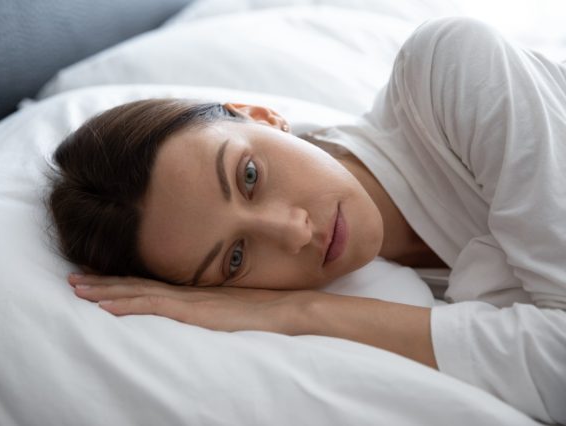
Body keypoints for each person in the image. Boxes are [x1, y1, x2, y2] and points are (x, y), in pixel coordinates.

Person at [47, 17, 565, 424]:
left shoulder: (453, 70)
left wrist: (304, 311)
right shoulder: (387, 291)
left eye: (249, 175)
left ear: (260, 115)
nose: (294, 232)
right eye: (235, 257)